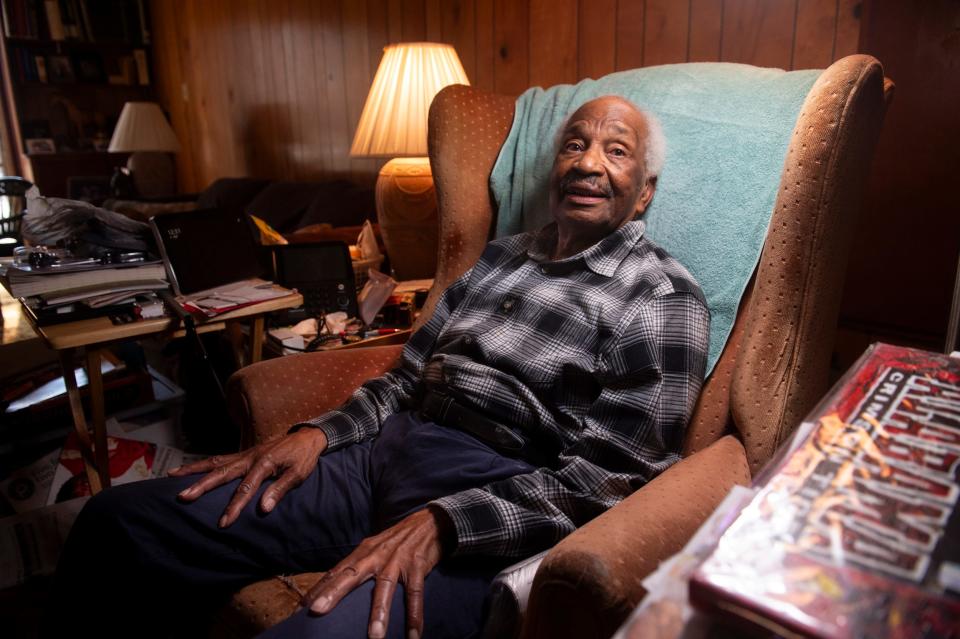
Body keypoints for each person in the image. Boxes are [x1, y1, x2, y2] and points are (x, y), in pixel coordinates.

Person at [46, 96, 709, 639]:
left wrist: (449, 521)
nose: (587, 163)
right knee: (118, 523)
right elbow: (402, 378)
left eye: (616, 151)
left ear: (643, 193)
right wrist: (319, 433)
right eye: (574, 144)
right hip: (375, 460)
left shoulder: (661, 296)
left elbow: (613, 477)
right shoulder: (503, 256)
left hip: (494, 501)